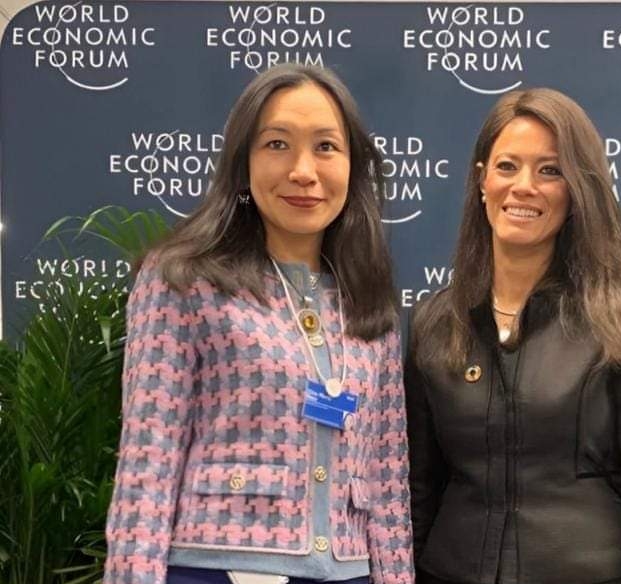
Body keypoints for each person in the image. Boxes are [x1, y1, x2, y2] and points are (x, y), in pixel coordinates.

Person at [103, 64, 413, 584]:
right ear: (243, 163)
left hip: (350, 571)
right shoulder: (184, 279)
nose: (303, 171)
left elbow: (388, 477)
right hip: (218, 567)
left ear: (353, 167)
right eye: (277, 144)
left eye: (326, 147)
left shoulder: (367, 299)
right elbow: (147, 464)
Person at [405, 88, 621, 584]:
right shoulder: (434, 320)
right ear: (482, 181)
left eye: (550, 171)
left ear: (577, 189)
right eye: (507, 166)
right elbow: (418, 487)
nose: (524, 187)